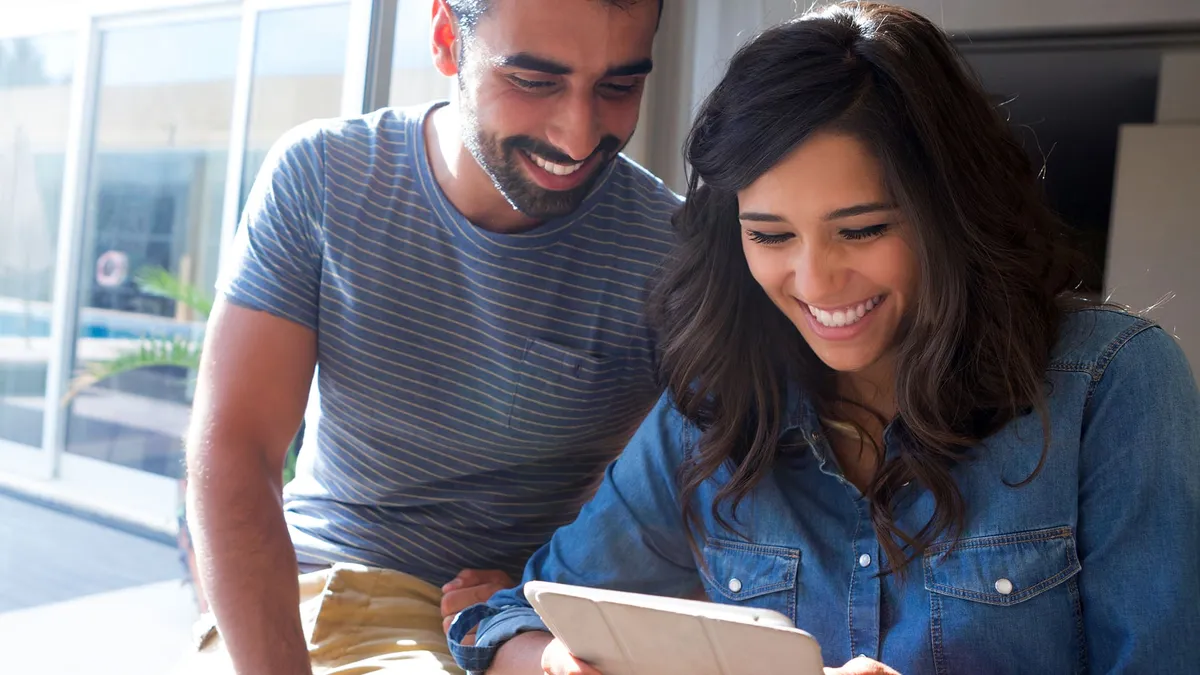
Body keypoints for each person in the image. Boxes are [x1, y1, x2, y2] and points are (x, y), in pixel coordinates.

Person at [446, 3, 1200, 674]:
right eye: (770, 235)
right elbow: (511, 614)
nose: (816, 281)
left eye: (862, 228)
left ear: (949, 211)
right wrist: (552, 660)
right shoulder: (717, 406)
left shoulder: (1111, 386)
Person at [180, 0, 676, 673]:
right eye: (533, 82)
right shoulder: (324, 177)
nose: (578, 135)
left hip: (527, 621)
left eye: (619, 87)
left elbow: (694, 492)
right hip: (332, 590)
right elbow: (233, 448)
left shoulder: (671, 254)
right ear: (447, 38)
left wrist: (537, 604)